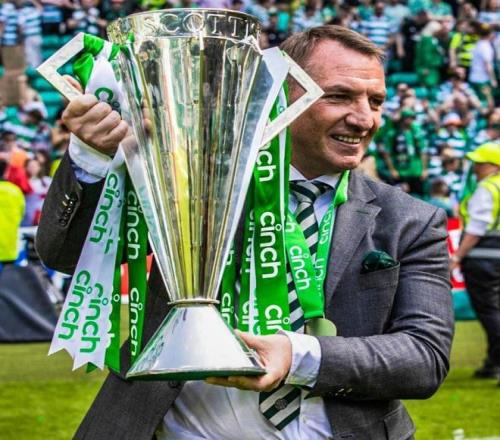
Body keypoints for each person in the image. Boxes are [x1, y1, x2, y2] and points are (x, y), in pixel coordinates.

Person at [36, 25, 453, 439]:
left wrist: (298, 356)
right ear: (282, 92)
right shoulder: (192, 184)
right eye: (339, 96)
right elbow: (65, 254)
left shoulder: (410, 221)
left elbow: (425, 357)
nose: (364, 118)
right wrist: (91, 157)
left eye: (375, 101)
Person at [452, 142, 500, 382]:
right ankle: (492, 363)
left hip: (483, 259)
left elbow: (476, 228)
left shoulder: (487, 188)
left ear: (494, 166)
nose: (476, 167)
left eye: (481, 163)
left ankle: (496, 362)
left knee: (489, 312)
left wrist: (457, 256)